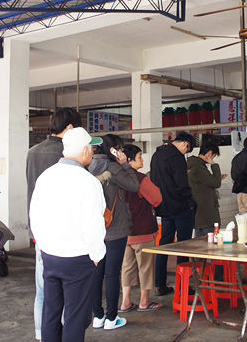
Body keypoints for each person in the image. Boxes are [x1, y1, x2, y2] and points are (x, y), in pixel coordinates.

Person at [30, 127, 106, 342]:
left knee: (51, 310)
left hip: (50, 255)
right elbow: (94, 223)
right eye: (91, 148)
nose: (92, 152)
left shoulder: (47, 176)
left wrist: (44, 245)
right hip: (78, 258)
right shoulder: (88, 181)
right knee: (75, 315)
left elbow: (34, 215)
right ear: (84, 151)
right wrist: (96, 255)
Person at [26, 107, 83, 341]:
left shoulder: (32, 152)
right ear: (69, 128)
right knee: (68, 293)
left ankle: (42, 334)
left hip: (41, 231)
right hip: (67, 234)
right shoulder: (69, 152)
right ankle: (61, 333)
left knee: (43, 289)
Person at [88, 134, 141, 330]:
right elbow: (134, 185)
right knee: (111, 274)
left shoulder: (88, 166)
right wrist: (125, 164)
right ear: (114, 149)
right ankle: (111, 318)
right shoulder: (114, 168)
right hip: (114, 229)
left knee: (96, 273)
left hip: (94, 230)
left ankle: (98, 316)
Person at [150, 131, 196, 296]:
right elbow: (181, 185)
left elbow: (155, 180)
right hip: (180, 208)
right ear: (185, 144)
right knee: (183, 247)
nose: (186, 152)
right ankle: (182, 286)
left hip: (163, 207)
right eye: (187, 149)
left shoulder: (157, 154)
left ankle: (160, 284)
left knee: (164, 245)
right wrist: (190, 200)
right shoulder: (177, 157)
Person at [119, 144, 163, 313]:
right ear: (129, 160)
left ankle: (125, 302)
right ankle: (144, 301)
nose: (142, 160)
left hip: (123, 232)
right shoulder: (139, 178)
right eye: (139, 157)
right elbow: (157, 198)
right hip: (143, 230)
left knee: (127, 267)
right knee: (145, 266)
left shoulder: (116, 176)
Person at [188, 142, 225, 237]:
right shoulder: (199, 167)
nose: (213, 158)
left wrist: (216, 177)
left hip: (198, 213)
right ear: (209, 154)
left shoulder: (191, 164)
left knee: (199, 244)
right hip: (207, 215)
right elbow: (216, 183)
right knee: (210, 244)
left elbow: (205, 182)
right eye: (214, 156)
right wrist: (214, 165)